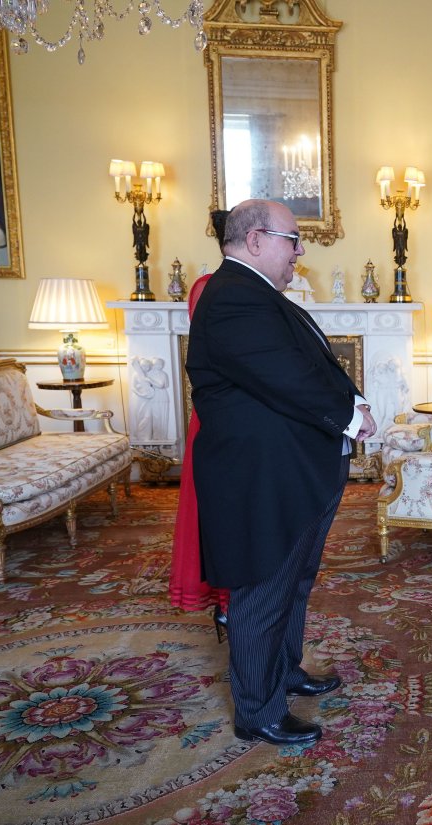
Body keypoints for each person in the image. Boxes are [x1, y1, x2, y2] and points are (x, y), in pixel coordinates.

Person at [186, 199, 377, 747]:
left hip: (294, 468)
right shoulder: (232, 299)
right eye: (292, 239)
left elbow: (311, 364)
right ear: (254, 241)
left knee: (294, 581)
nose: (299, 250)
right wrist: (348, 414)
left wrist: (354, 400)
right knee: (263, 590)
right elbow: (284, 378)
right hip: (263, 477)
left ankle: (284, 671)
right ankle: (258, 711)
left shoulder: (258, 295)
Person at [169, 210, 230, 618]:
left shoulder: (217, 287)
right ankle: (225, 597)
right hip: (219, 414)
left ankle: (230, 598)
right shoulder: (211, 288)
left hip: (218, 411)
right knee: (218, 501)